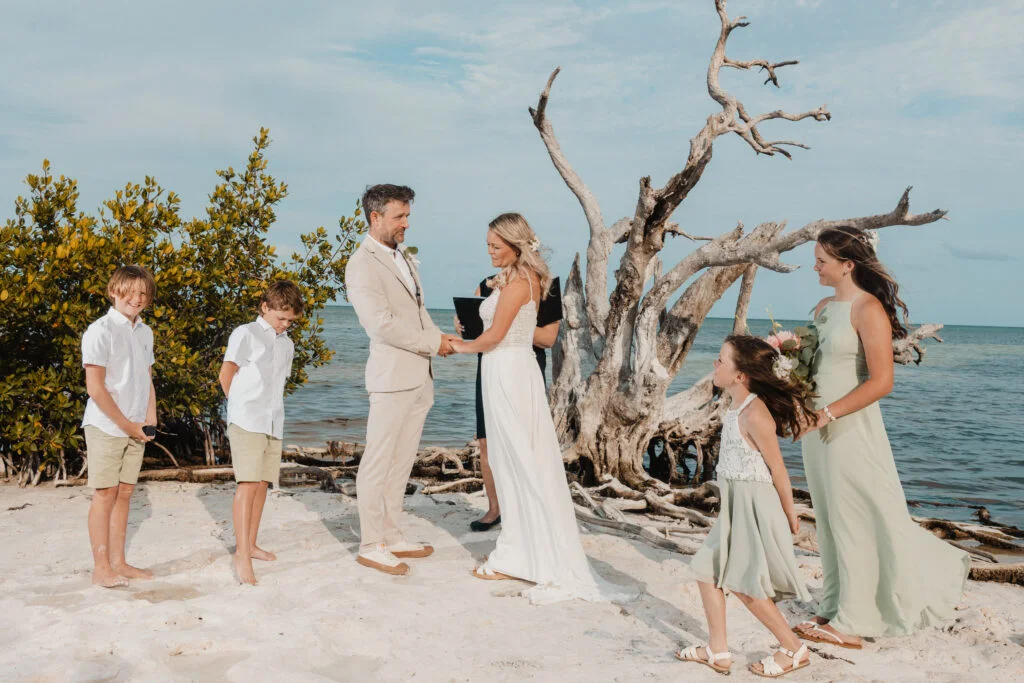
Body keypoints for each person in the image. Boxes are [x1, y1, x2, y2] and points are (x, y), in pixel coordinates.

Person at [794, 226, 969, 647]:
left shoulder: (867, 308)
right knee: (830, 519)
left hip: (848, 425)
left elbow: (882, 381)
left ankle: (853, 622)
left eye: (821, 260)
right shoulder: (822, 307)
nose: (814, 266)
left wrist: (827, 413)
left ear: (847, 264)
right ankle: (832, 607)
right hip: (815, 429)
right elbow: (810, 367)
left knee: (855, 517)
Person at [450, 213, 635, 605]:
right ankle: (519, 547)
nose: (489, 252)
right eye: (488, 245)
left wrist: (457, 346)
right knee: (511, 459)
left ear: (516, 246)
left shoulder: (520, 282)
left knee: (516, 460)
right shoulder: (517, 280)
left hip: (508, 369)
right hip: (506, 369)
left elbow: (498, 336)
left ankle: (519, 553)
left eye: (495, 246)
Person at [676, 335, 814, 678]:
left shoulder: (755, 414)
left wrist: (790, 513)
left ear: (740, 375)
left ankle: (794, 649)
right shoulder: (735, 406)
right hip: (735, 505)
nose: (715, 364)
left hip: (753, 506)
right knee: (707, 571)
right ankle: (717, 650)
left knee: (743, 583)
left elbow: (778, 468)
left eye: (721, 360)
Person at [344, 184, 458, 576]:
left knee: (402, 461)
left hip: (419, 376)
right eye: (399, 216)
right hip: (391, 378)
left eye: (408, 216)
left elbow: (419, 313)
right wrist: (431, 342)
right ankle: (370, 543)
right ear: (375, 217)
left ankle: (392, 534)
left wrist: (442, 338)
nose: (406, 223)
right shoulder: (361, 263)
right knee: (378, 461)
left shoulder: (403, 258)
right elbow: (380, 325)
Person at [456, 276, 562, 532]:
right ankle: (495, 508)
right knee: (486, 439)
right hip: (490, 364)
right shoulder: (492, 281)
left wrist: (508, 323)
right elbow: (477, 314)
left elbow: (548, 339)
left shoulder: (548, 286)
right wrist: (462, 324)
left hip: (523, 365)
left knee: (525, 439)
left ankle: (530, 508)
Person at [219, 280, 302, 585]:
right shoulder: (246, 333)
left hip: (273, 421)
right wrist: (238, 409)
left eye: (290, 321)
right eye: (281, 318)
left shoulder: (287, 344)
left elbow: (277, 385)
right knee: (247, 484)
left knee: (262, 485)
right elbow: (226, 374)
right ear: (265, 307)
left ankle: (251, 544)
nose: (284, 325)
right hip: (247, 421)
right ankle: (241, 555)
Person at [81, 265, 158, 588]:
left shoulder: (145, 332)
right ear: (113, 291)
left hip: (137, 425)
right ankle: (101, 568)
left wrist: (150, 418)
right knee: (105, 494)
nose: (136, 299)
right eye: (130, 292)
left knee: (125, 493)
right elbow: (95, 388)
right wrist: (126, 424)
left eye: (142, 293)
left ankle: (119, 562)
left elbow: (147, 379)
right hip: (107, 426)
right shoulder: (100, 331)